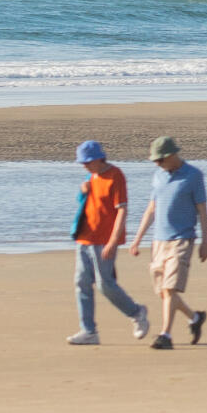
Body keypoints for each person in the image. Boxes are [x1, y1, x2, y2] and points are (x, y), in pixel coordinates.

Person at [128, 135, 207, 350]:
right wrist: (137, 239)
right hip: (158, 241)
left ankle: (165, 335)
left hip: (182, 240)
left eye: (160, 160)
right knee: (164, 292)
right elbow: (151, 209)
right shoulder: (158, 176)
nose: (157, 164)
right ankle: (195, 318)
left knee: (170, 288)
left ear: (172, 155)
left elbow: (202, 210)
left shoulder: (193, 176)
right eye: (155, 161)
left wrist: (205, 242)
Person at [66, 139, 149, 347]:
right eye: (82, 163)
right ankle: (89, 331)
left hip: (104, 241)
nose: (84, 166)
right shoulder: (91, 177)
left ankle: (136, 312)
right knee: (81, 283)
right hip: (84, 238)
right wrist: (82, 192)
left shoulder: (115, 175)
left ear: (99, 159)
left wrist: (113, 241)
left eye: (87, 162)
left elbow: (122, 210)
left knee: (105, 285)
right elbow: (86, 205)